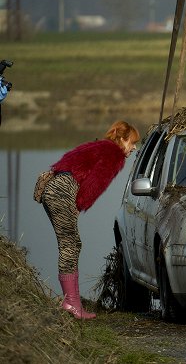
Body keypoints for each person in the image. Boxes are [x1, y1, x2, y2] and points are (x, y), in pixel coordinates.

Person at [41, 121, 140, 319]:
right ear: (121, 140)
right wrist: (80, 204)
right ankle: (71, 303)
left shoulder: (99, 145)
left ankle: (73, 302)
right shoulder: (114, 154)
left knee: (72, 244)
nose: (134, 147)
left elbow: (67, 161)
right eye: (132, 142)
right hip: (63, 190)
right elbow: (96, 183)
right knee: (70, 245)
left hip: (54, 186)